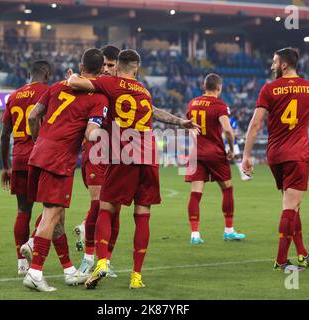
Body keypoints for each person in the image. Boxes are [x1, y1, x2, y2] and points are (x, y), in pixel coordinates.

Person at [68, 49, 199, 289]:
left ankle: (102, 262)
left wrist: (72, 77)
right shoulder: (144, 91)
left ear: (117, 66)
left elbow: (75, 82)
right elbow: (154, 112)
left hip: (123, 154)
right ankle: (136, 277)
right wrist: (181, 121)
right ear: (136, 68)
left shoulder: (110, 83)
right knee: (143, 215)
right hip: (149, 156)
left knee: (106, 208)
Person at [242, 47, 309, 271]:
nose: (272, 66)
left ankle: (302, 253)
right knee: (290, 206)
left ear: (284, 65)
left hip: (275, 155)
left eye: (274, 62)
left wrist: (247, 155)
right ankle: (281, 260)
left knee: (293, 205)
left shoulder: (268, 88)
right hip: (296, 155)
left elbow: (255, 124)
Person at [22, 48, 109, 292]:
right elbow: (91, 133)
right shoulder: (98, 98)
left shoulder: (57, 86)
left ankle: (69, 269)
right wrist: (109, 136)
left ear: (81, 65)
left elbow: (32, 116)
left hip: (38, 154)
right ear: (102, 68)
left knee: (58, 215)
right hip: (59, 159)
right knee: (51, 215)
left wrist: (40, 141)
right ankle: (35, 272)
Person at [74, 45, 122, 282]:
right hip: (95, 149)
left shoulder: (122, 88)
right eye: (105, 64)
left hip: (119, 152)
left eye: (111, 65)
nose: (107, 69)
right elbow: (73, 81)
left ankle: (107, 261)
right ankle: (88, 260)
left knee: (116, 209)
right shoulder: (95, 86)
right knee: (98, 205)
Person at [0, 60, 51, 275]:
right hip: (42, 158)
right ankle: (30, 241)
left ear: (30, 74)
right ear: (47, 74)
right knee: (53, 208)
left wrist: (6, 167)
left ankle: (21, 263)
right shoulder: (50, 92)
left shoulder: (13, 97)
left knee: (23, 210)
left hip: (19, 159)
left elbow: (4, 135)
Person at [185, 73, 246, 244]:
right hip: (214, 153)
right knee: (227, 189)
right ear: (219, 87)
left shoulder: (192, 103)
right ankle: (228, 231)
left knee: (195, 193)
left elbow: (188, 127)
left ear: (204, 87)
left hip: (196, 153)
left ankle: (195, 234)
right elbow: (227, 129)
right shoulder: (220, 105)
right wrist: (232, 149)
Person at [226, 116, 252, 181]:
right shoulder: (233, 120)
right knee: (237, 158)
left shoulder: (227, 119)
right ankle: (244, 176)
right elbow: (234, 132)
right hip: (231, 143)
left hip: (227, 142)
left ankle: (244, 176)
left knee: (235, 158)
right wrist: (240, 139)